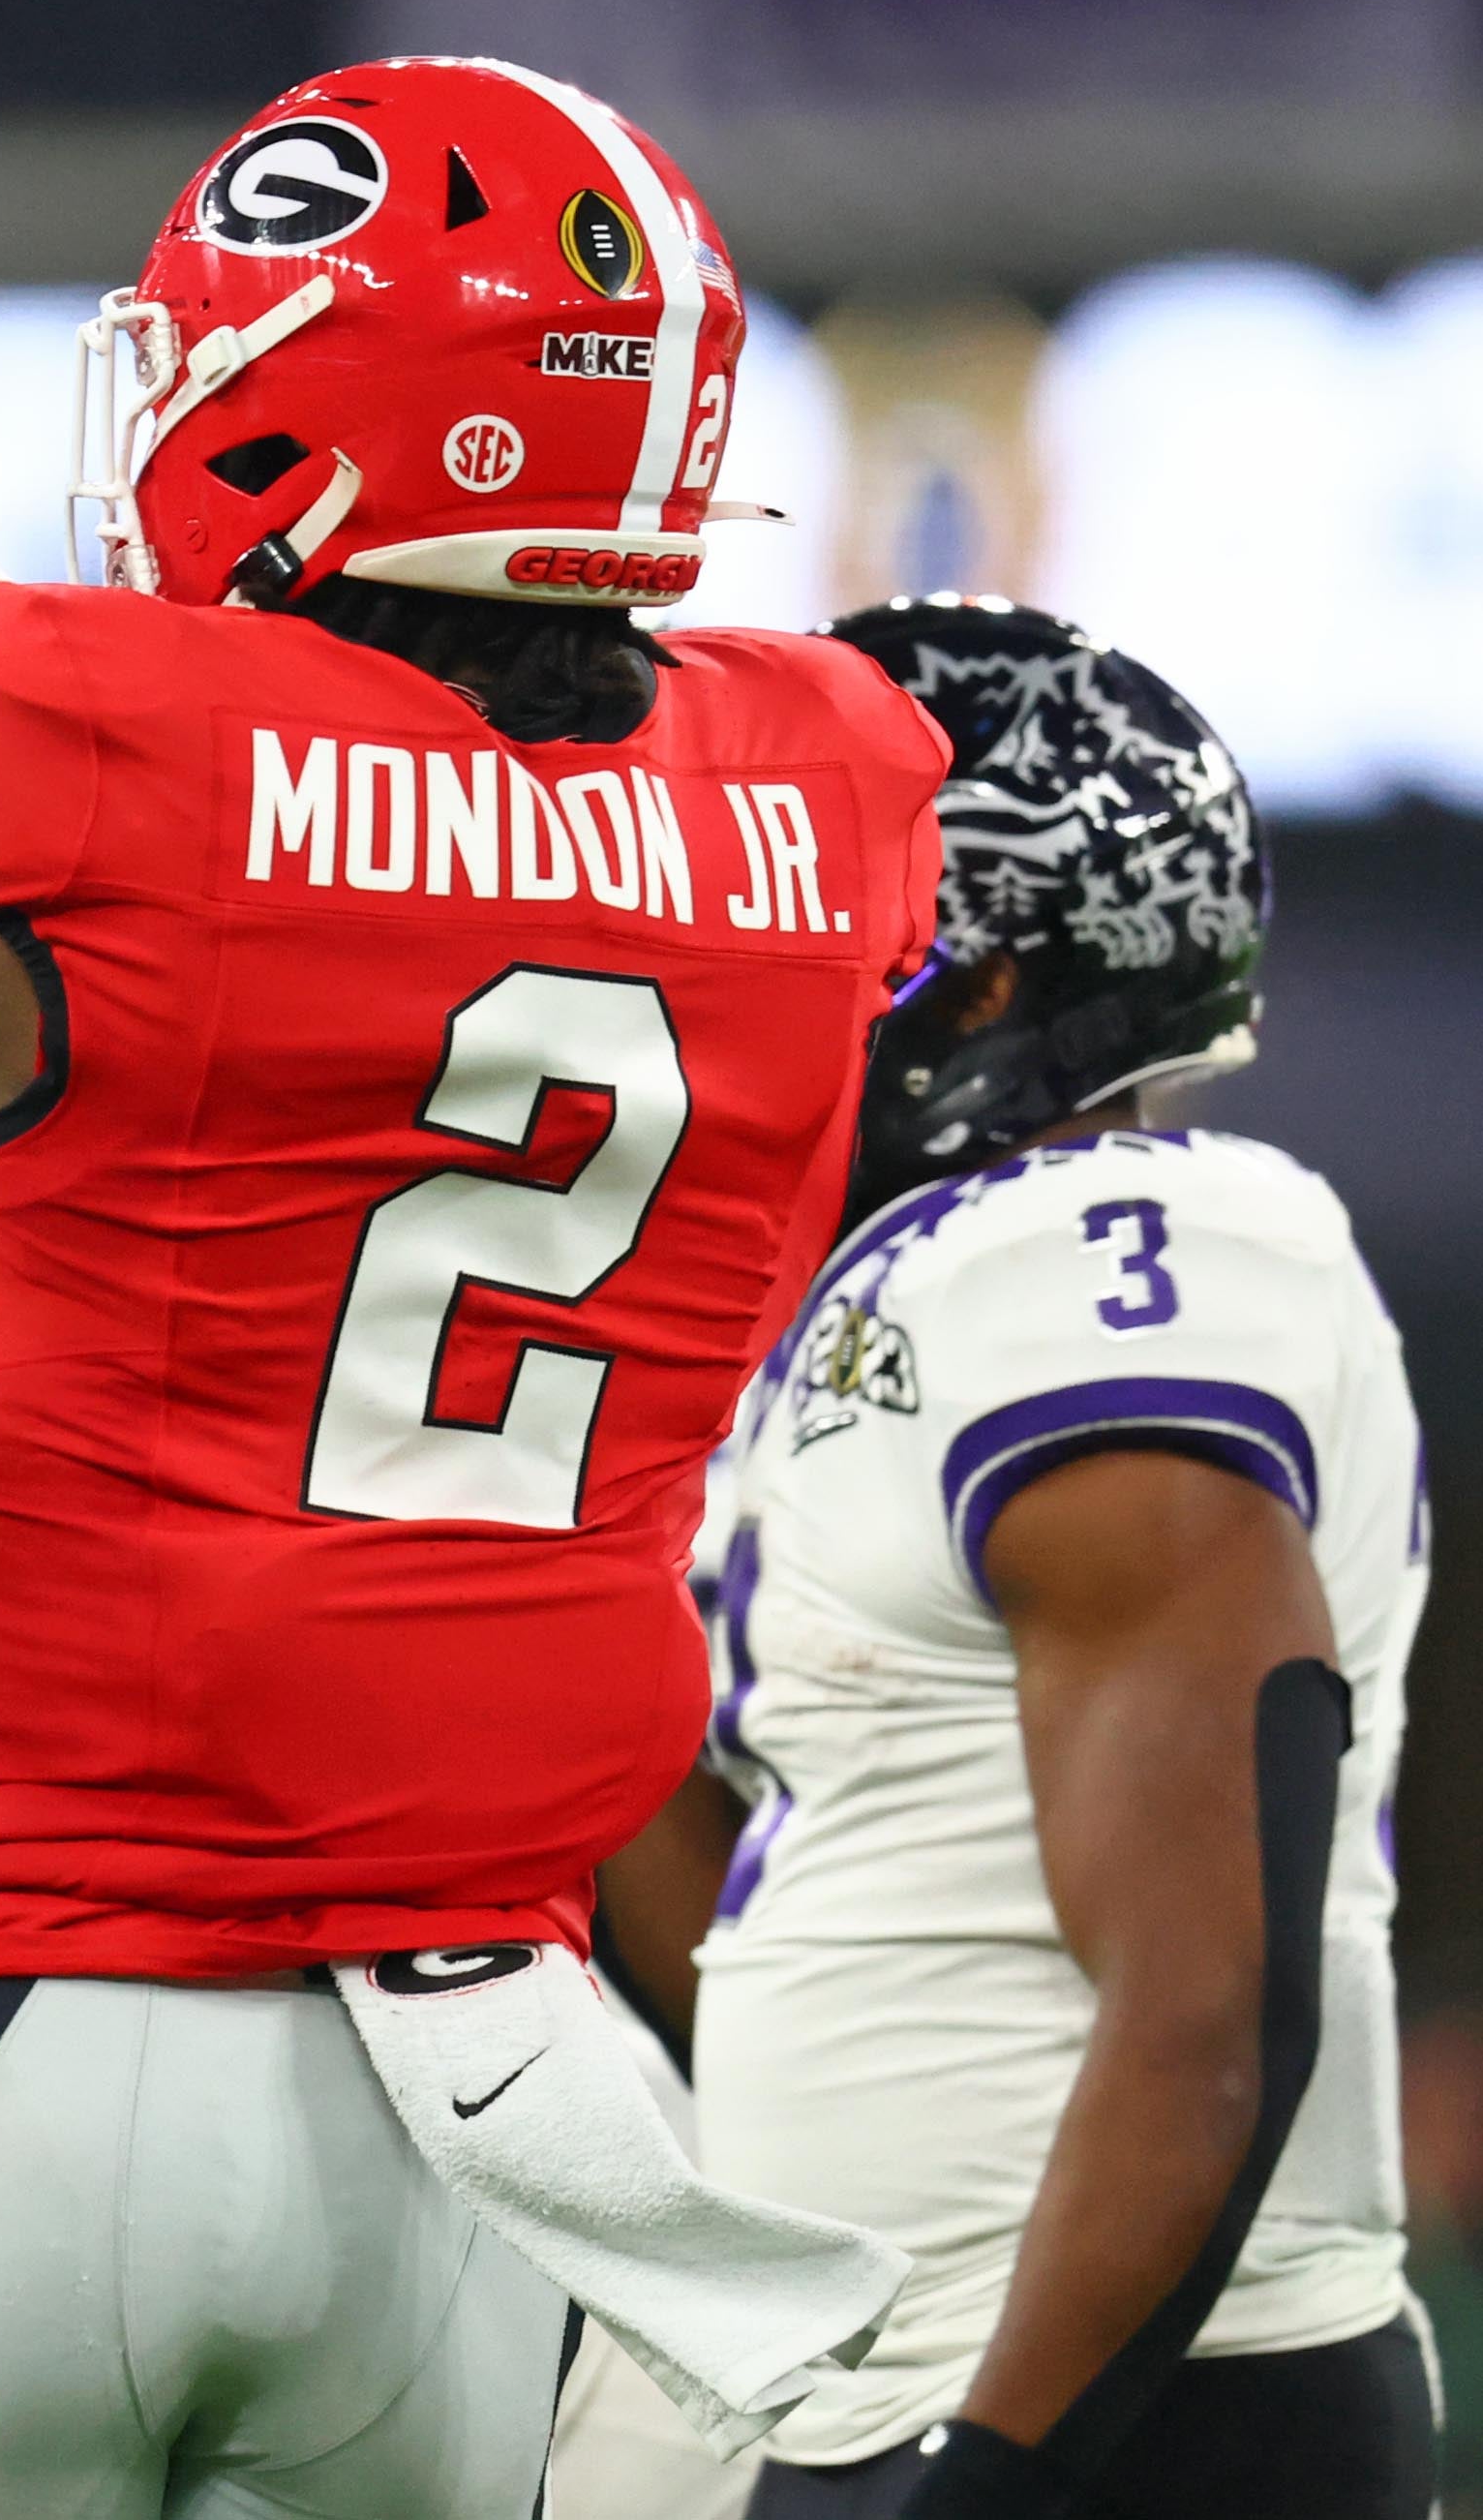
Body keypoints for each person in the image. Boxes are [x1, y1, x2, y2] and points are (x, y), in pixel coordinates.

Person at [0, 54, 957, 2517]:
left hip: (61, 2020)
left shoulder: (89, 737)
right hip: (486, 2098)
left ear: (328, 405)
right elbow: (449, 862)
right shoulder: (829, 774)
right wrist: (12, 685)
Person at [604, 600, 1432, 2520]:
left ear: (972, 975)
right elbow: (768, 1906)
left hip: (1126, 2405)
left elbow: (1204, 1996)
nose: (714, 949)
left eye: (787, 897)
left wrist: (979, 2474)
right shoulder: (880, 1297)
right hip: (900, 2376)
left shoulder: (1104, 1253)